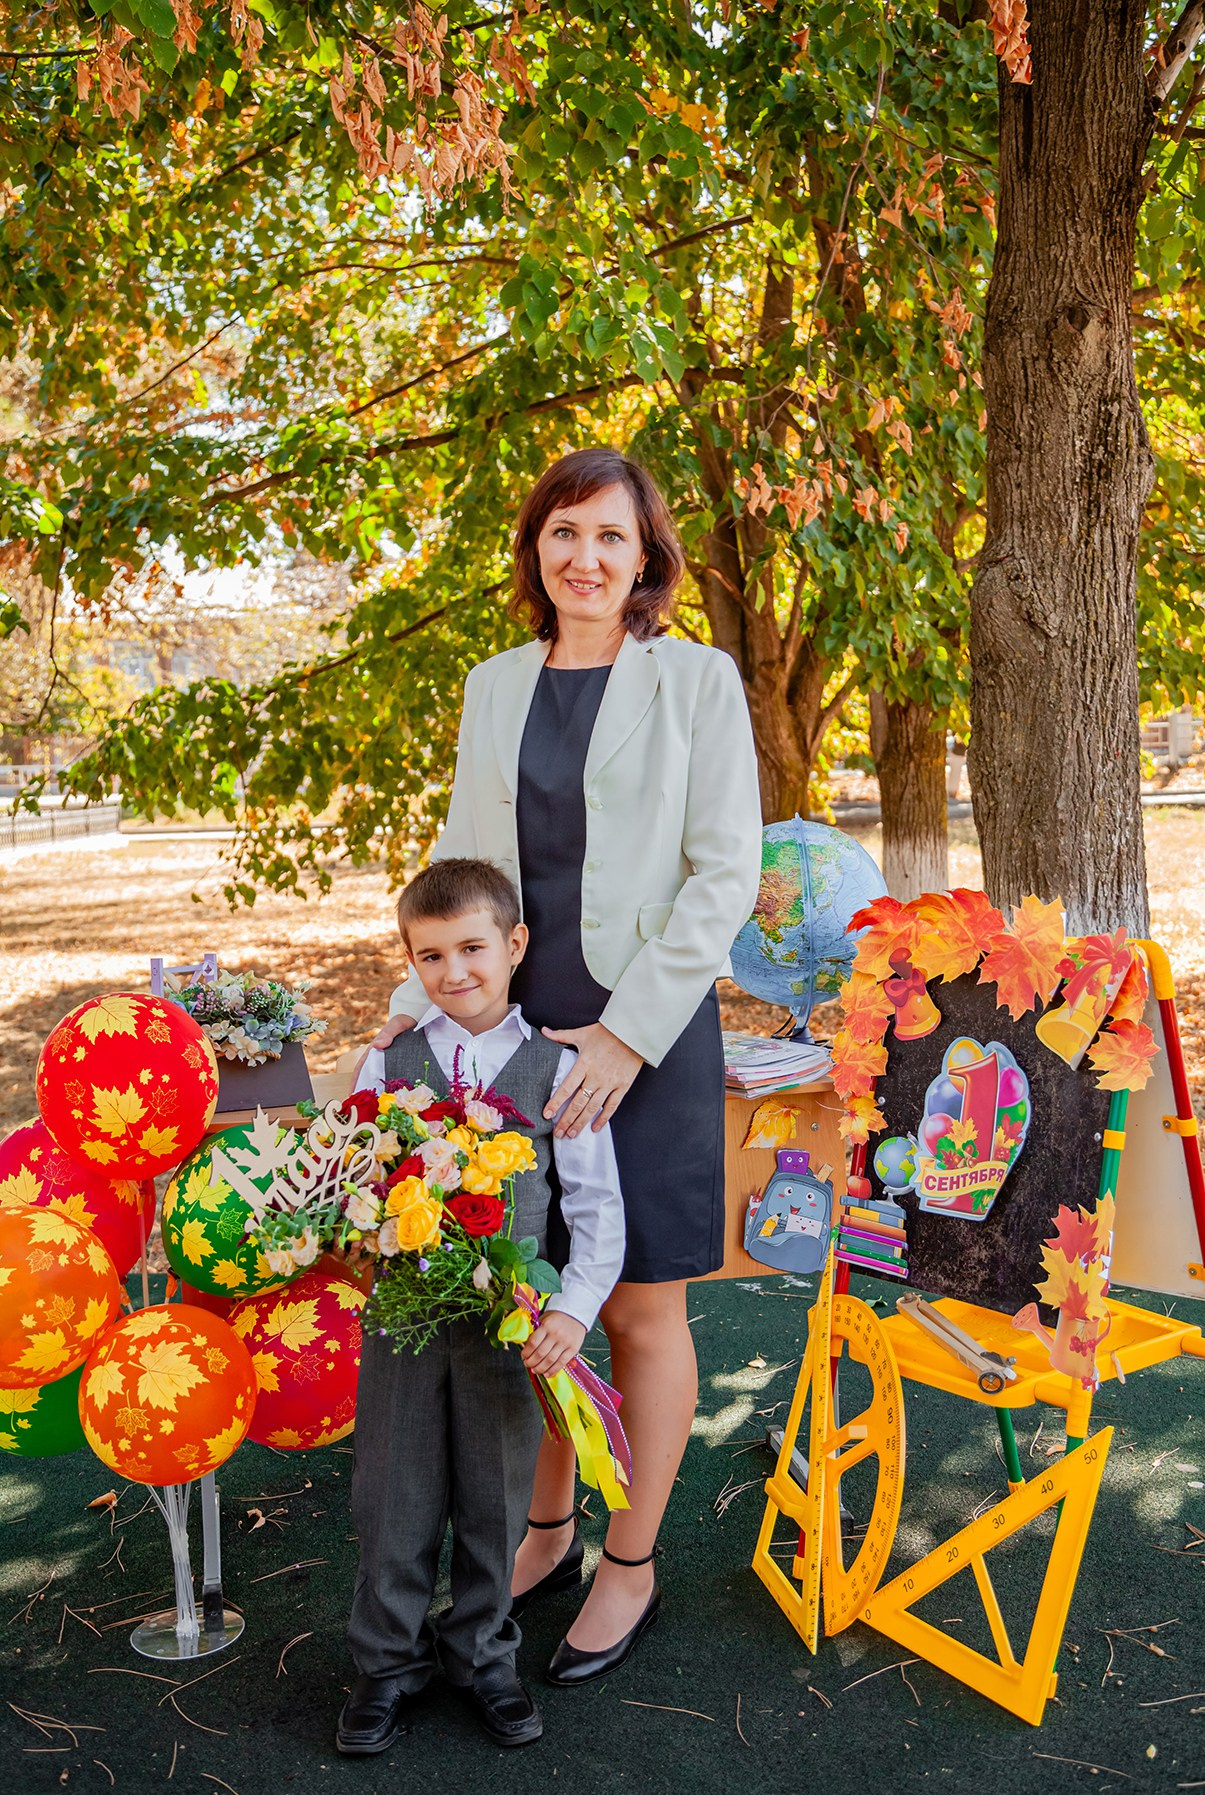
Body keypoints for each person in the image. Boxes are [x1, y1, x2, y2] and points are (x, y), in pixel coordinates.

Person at [368, 446, 762, 1685]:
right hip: (514, 1045)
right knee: (526, 1295)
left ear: (645, 555)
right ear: (534, 550)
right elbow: (462, 865)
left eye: (608, 536)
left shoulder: (695, 680)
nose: (583, 557)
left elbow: (724, 874)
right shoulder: (494, 685)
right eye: (560, 533)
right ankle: (542, 1526)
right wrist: (403, 1010)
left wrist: (628, 1030)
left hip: (642, 1035)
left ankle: (631, 1560)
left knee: (638, 1301)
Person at [338, 857, 625, 1755]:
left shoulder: (562, 1067)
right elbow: (347, 1174)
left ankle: (482, 1657)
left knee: (497, 1497)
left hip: (511, 1323)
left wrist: (571, 1310)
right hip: (403, 1318)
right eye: (429, 956)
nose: (452, 971)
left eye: (471, 948)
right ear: (408, 962)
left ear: (514, 945)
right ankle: (387, 1664)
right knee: (392, 1493)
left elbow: (593, 1207)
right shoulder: (384, 1056)